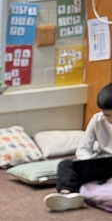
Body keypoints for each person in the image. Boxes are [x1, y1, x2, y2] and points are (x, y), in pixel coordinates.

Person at [44, 83, 112, 211]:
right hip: (101, 163)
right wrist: (86, 162)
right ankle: (66, 195)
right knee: (65, 165)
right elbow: (84, 147)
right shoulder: (97, 120)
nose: (110, 119)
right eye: (106, 115)